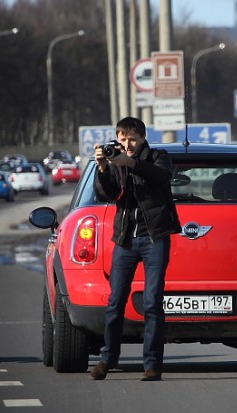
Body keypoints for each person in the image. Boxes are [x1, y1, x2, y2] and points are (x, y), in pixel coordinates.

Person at [90, 116, 181, 381]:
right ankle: (107, 360)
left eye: (132, 139)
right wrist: (103, 167)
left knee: (152, 301)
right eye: (122, 139)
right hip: (125, 241)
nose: (127, 144)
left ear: (142, 138)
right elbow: (105, 195)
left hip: (154, 238)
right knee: (115, 301)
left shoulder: (158, 156)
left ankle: (152, 364)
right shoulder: (114, 161)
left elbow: (161, 178)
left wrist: (132, 164)